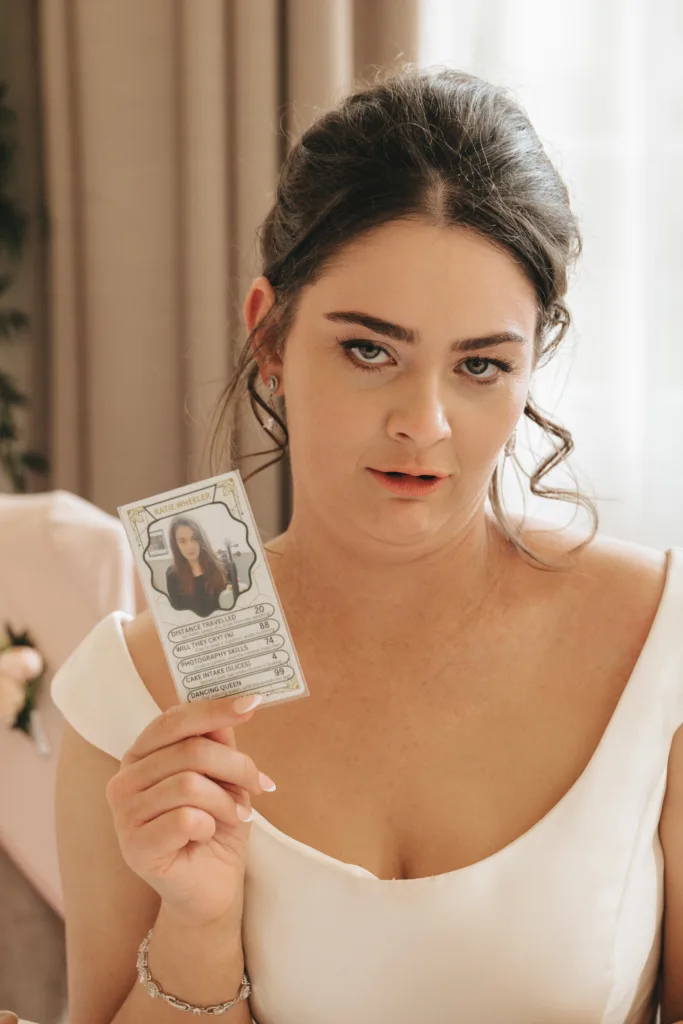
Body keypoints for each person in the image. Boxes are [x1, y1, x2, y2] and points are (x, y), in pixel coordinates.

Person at [49, 66, 683, 1024]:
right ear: (269, 336)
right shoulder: (130, 693)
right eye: (369, 350)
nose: (422, 424)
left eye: (479, 366)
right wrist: (196, 922)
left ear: (529, 367)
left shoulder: (657, 643)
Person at [164, 516, 232, 618]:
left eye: (194, 539)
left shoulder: (223, 565)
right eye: (182, 541)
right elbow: (178, 615)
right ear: (175, 544)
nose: (190, 546)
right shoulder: (172, 575)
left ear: (201, 539)